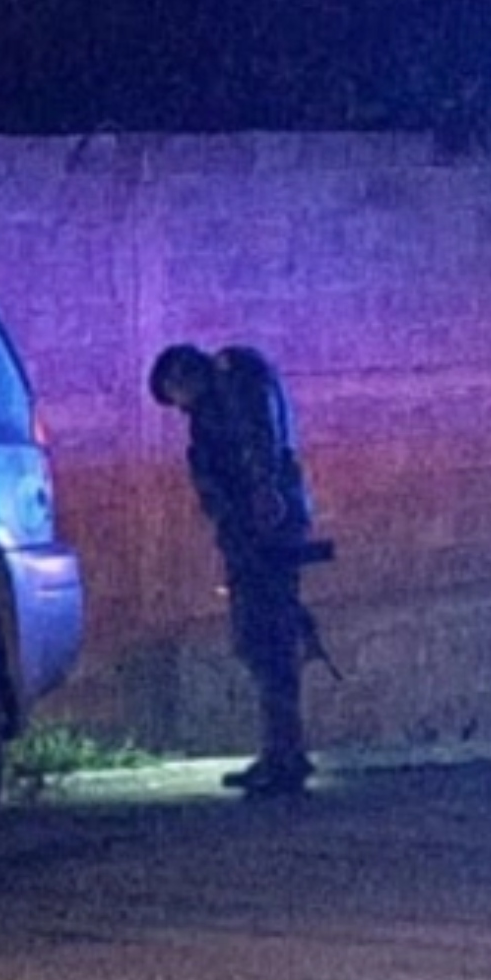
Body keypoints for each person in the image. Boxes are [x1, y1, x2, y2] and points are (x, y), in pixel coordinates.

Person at [150, 341, 321, 798]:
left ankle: (286, 756)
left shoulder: (236, 380)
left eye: (176, 393)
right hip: (251, 533)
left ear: (185, 373)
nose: (181, 407)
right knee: (260, 640)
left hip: (266, 532)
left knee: (269, 639)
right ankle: (280, 752)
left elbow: (260, 439)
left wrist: (264, 496)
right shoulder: (218, 399)